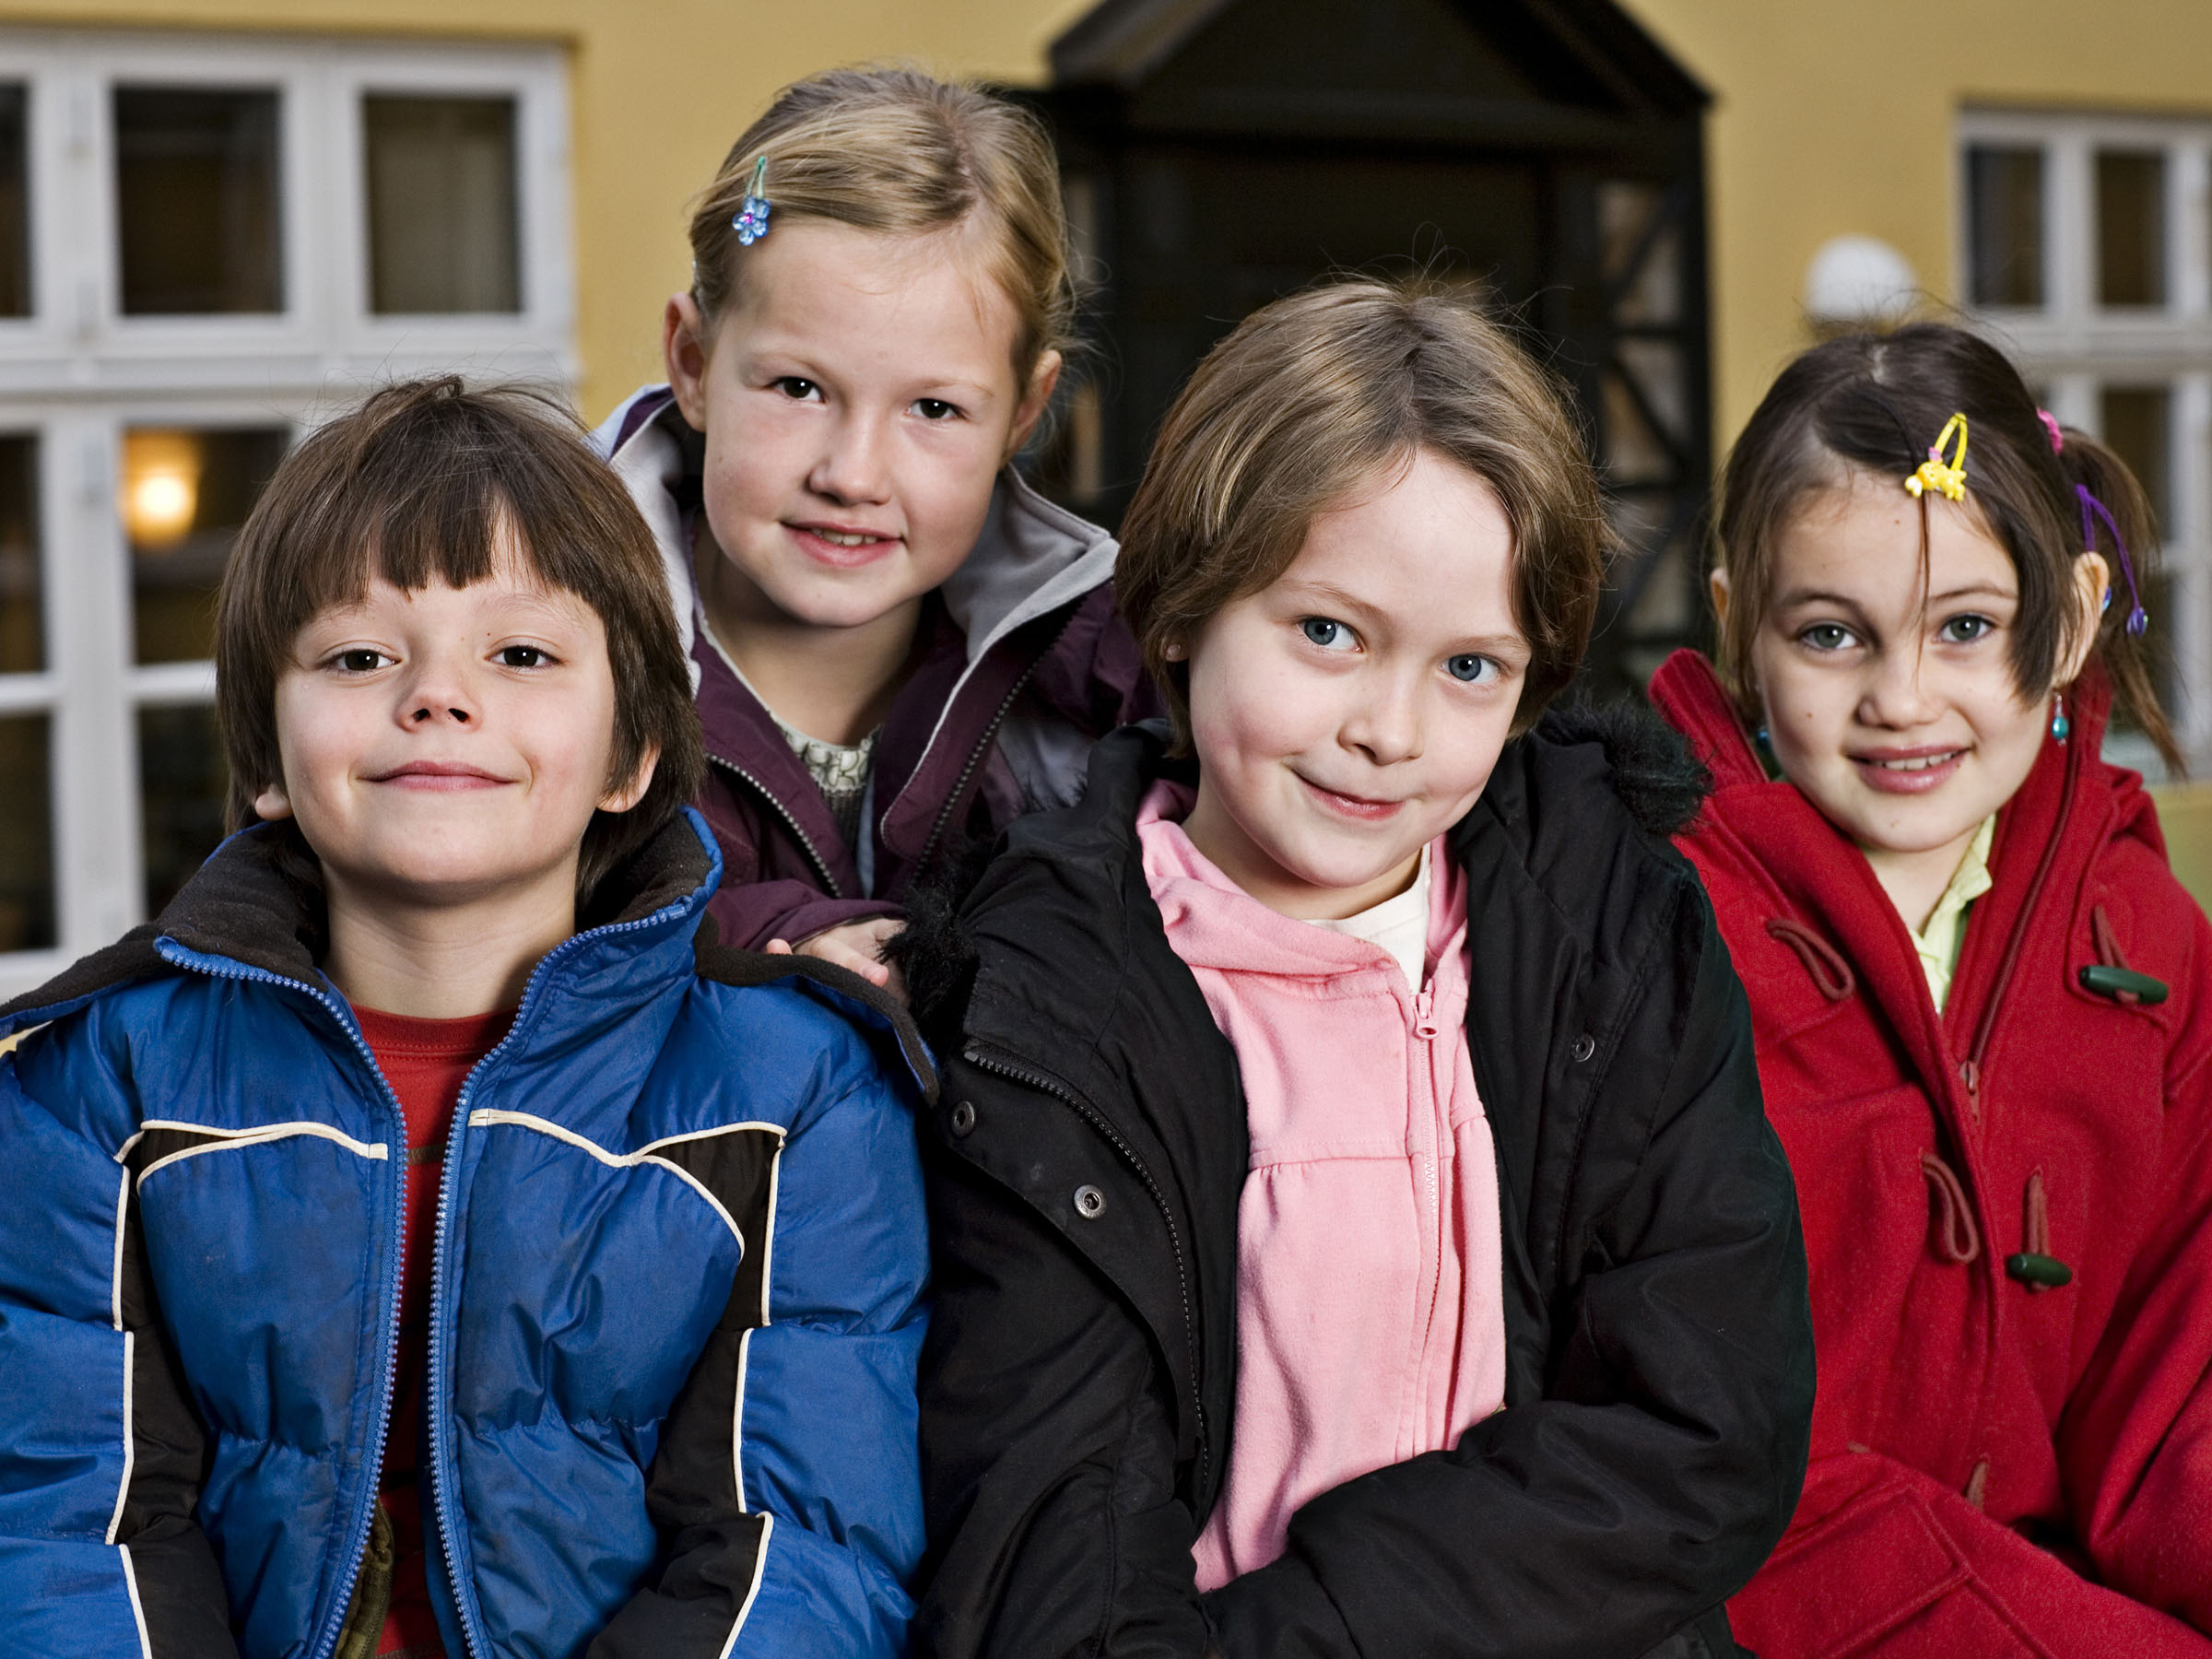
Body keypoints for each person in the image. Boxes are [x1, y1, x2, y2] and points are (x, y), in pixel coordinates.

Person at [904, 277, 1816, 1658]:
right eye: (1328, 634)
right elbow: (1051, 1547)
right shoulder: (1042, 1004)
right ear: (1185, 608)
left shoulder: (1614, 929)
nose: (1391, 730)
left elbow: (1705, 1428)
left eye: (1470, 668)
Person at [0, 380, 933, 1659]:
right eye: (359, 657)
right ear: (266, 757)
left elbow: (803, 1550)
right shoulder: (95, 1084)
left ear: (631, 757)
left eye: (521, 655)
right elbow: (66, 1528)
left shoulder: (797, 1093)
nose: (437, 696)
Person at [1649, 323, 2212, 1654]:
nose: (1903, 701)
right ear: (1738, 627)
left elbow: (2179, 1384)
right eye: (1831, 635)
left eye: (1967, 628)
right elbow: (1730, 1471)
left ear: (2072, 616)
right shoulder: (1652, 938)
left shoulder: (2149, 936)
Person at [596, 65, 1153, 992]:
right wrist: (755, 949)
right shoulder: (538, 657)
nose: (852, 476)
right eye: (798, 388)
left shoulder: (1112, 686)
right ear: (692, 363)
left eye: (933, 409)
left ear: (1025, 412)